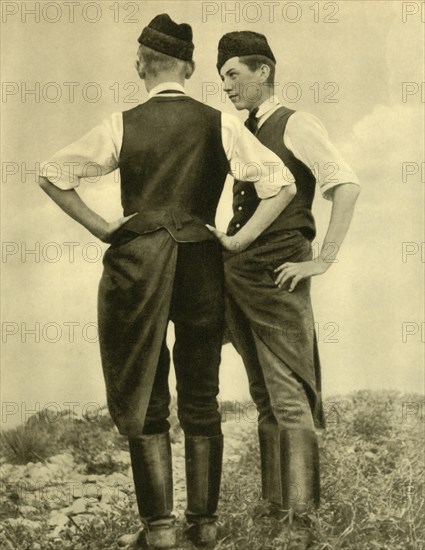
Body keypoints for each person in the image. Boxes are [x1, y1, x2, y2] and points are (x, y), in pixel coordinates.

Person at [38, 15, 296, 550]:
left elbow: (50, 173)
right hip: (201, 264)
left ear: (140, 66)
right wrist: (236, 241)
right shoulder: (219, 123)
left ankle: (158, 529)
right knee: (201, 393)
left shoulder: (120, 123)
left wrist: (105, 227)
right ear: (191, 66)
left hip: (137, 267)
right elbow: (283, 185)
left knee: (148, 394)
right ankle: (204, 524)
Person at [210, 31, 360, 548]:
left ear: (264, 71)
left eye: (233, 74)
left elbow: (346, 183)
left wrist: (322, 261)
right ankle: (274, 509)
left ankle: (302, 523)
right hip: (240, 276)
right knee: (265, 399)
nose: (225, 85)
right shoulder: (241, 130)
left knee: (290, 397)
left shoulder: (294, 123)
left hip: (279, 275)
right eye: (220, 76)